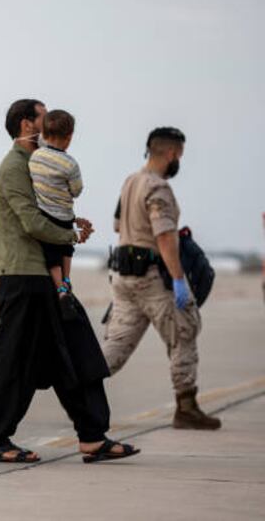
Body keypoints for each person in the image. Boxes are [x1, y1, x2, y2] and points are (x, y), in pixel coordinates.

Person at [0, 98, 138, 464]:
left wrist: (70, 225)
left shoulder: (39, 163)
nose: (48, 123)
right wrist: (70, 236)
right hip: (23, 276)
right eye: (42, 117)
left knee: (77, 353)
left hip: (47, 278)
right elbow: (32, 223)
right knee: (15, 362)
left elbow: (52, 211)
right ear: (26, 125)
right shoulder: (14, 167)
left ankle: (92, 436)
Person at [102, 127, 220, 430]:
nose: (179, 159)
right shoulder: (158, 188)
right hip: (154, 279)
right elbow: (164, 236)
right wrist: (179, 279)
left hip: (124, 278)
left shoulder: (130, 182)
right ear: (171, 153)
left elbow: (117, 225)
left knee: (116, 345)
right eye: (179, 154)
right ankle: (187, 406)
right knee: (184, 330)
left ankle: (76, 382)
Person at [29, 109, 82, 320]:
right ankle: (67, 280)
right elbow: (77, 189)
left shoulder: (35, 156)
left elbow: (44, 141)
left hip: (45, 213)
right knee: (67, 247)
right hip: (65, 215)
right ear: (69, 137)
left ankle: (59, 287)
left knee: (51, 254)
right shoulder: (70, 164)